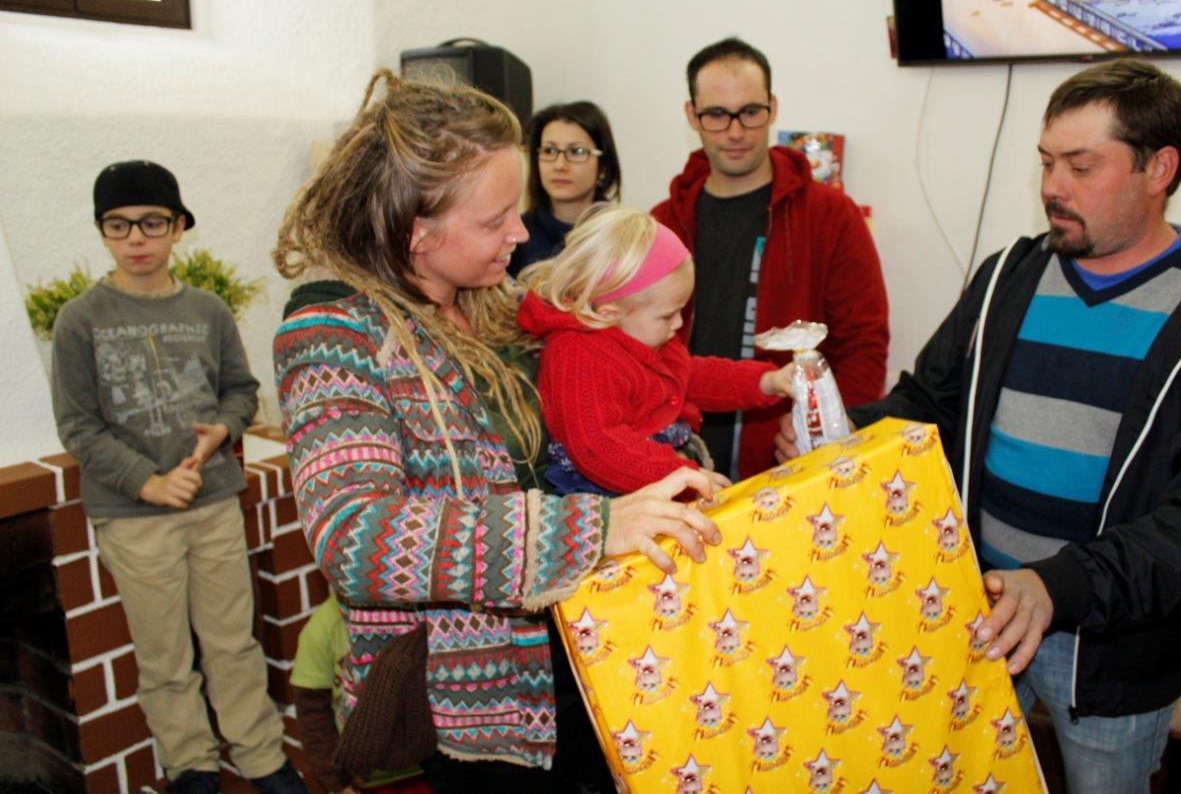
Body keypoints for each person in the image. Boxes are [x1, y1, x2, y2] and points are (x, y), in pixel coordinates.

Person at [777, 58, 1181, 793]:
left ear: (1159, 168)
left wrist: (1061, 585)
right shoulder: (1006, 277)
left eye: (1081, 165)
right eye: (1046, 162)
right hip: (976, 615)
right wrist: (845, 432)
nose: (1052, 186)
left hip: (1114, 654)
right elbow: (928, 406)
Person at [272, 70, 722, 788]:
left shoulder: (500, 303)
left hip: (588, 646)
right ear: (417, 231)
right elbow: (355, 536)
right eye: (495, 219)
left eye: (518, 210)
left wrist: (678, 449)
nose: (519, 232)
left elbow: (622, 387)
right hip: (480, 701)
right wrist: (591, 528)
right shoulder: (334, 335)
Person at [50, 161, 304, 794]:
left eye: (152, 223)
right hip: (135, 518)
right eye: (119, 225)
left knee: (233, 643)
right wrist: (149, 483)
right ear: (102, 232)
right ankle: (190, 764)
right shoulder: (80, 319)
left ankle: (261, 756)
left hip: (214, 504)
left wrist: (222, 432)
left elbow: (240, 392)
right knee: (165, 657)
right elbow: (78, 426)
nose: (136, 238)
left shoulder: (207, 310)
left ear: (179, 227)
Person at [651, 36, 889, 480]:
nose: (735, 131)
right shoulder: (661, 224)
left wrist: (835, 434)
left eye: (750, 112)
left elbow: (863, 346)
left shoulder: (832, 215)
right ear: (692, 116)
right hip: (676, 464)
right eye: (716, 115)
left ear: (773, 107)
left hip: (790, 465)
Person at [517, 205, 792, 495]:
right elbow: (597, 447)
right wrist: (680, 474)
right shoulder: (576, 355)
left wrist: (765, 381)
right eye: (667, 315)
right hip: (609, 489)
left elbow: (689, 376)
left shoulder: (640, 332)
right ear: (610, 313)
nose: (679, 323)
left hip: (659, 468)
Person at [291, 594, 431, 793]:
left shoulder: (425, 614)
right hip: (361, 776)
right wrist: (337, 782)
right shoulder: (322, 629)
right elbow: (312, 714)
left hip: (425, 764)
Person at [509, 101, 622, 276]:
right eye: (549, 151)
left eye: (576, 151)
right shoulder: (516, 237)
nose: (560, 165)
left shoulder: (623, 234)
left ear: (603, 166)